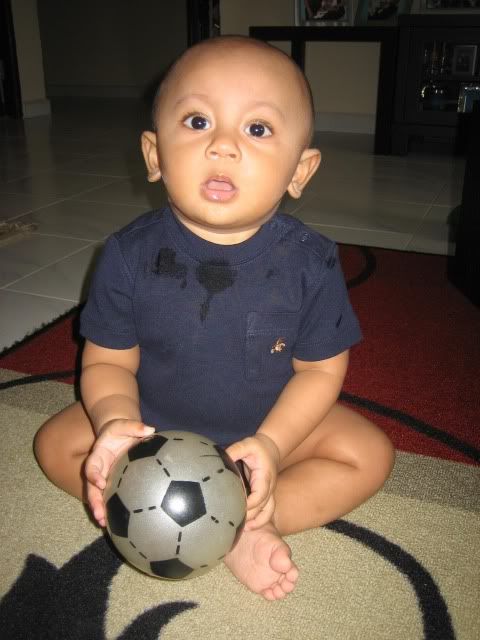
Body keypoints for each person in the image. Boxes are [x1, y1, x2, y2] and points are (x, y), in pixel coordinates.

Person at [34, 35, 395, 601]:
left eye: (257, 128)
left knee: (369, 455)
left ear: (300, 170)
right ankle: (175, 514)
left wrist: (273, 444)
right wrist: (115, 422)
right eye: (198, 121)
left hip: (265, 430)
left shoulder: (312, 263)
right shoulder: (127, 255)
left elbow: (322, 373)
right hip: (152, 430)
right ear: (155, 155)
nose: (223, 145)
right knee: (55, 445)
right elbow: (106, 362)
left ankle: (252, 522)